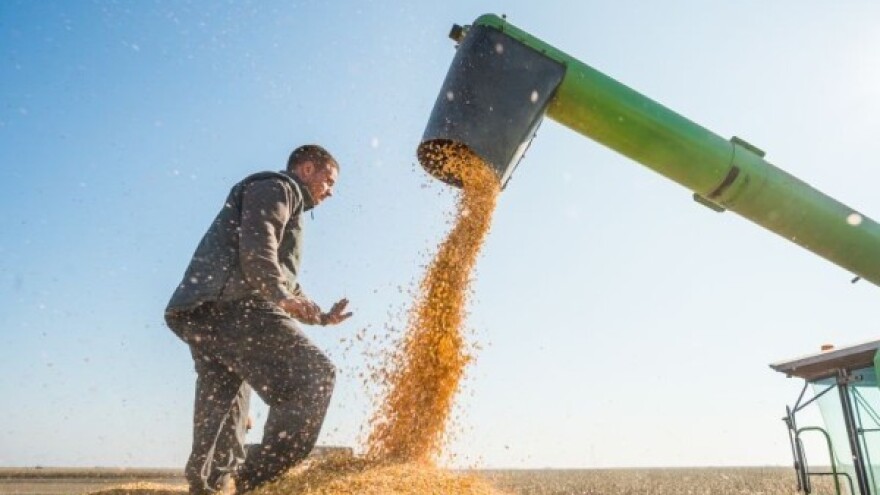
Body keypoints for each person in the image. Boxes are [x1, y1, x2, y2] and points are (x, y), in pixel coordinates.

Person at [164, 144, 352, 495]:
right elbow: (257, 245)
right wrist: (280, 295)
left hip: (202, 311)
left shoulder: (286, 202)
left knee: (224, 400)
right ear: (307, 169)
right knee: (313, 377)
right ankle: (257, 480)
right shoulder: (276, 188)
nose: (331, 191)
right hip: (232, 304)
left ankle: (210, 483)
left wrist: (321, 317)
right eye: (328, 180)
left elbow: (283, 279)